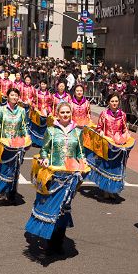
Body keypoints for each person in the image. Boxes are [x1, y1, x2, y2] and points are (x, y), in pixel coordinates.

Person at [25, 102, 86, 254]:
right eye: (62, 112)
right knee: (51, 207)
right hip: (54, 175)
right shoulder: (51, 131)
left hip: (70, 176)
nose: (65, 115)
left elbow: (80, 153)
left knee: (64, 208)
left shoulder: (77, 132)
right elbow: (44, 150)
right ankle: (49, 239)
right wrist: (44, 158)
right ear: (57, 114)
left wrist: (82, 162)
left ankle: (58, 241)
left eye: (67, 112)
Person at [95, 93, 130, 200]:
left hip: (118, 146)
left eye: (116, 101)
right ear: (108, 103)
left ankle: (113, 190)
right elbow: (98, 127)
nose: (114, 103)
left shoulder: (123, 115)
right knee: (107, 167)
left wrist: (126, 135)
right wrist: (100, 132)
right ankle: (106, 190)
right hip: (107, 144)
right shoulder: (104, 114)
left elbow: (124, 129)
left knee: (116, 168)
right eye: (112, 101)